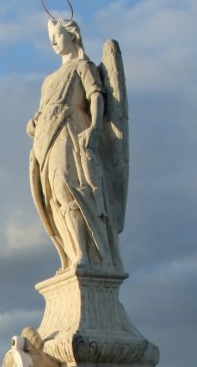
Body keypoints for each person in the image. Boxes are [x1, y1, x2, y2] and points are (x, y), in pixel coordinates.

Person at [27, 18, 125, 274]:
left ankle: (85, 254)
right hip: (46, 140)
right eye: (50, 39)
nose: (53, 43)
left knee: (69, 189)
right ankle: (72, 254)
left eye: (57, 36)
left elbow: (95, 96)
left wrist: (93, 129)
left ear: (72, 36)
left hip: (71, 132)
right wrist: (35, 123)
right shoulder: (48, 80)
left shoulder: (83, 66)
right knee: (53, 198)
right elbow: (42, 110)